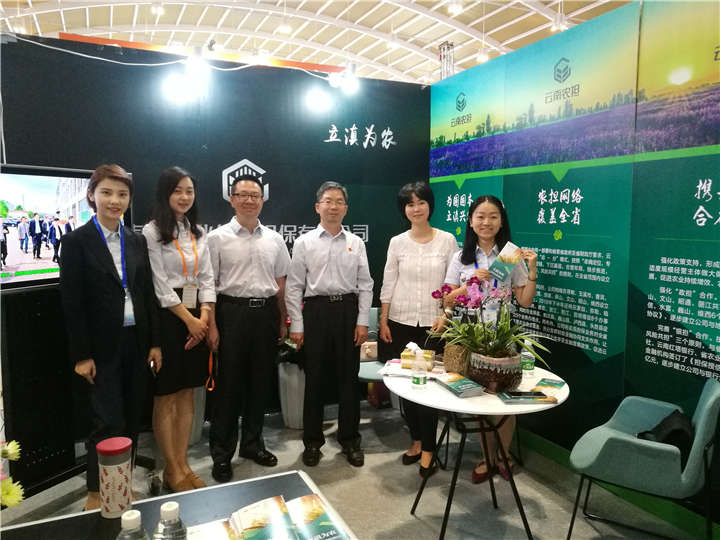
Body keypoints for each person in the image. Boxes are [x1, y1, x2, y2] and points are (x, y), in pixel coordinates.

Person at [59, 164, 162, 511]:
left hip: (136, 342)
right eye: (106, 192)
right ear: (92, 195)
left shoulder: (135, 240)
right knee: (106, 422)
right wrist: (81, 355)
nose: (115, 200)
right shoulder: (76, 242)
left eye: (122, 194)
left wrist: (154, 343)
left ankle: (122, 485)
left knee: (132, 418)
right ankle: (96, 491)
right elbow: (72, 303)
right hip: (101, 347)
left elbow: (145, 294)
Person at [443, 195, 538, 483]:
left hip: (502, 337)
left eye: (493, 216)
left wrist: (532, 271)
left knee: (505, 399)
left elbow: (524, 301)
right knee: (482, 399)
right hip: (472, 336)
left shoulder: (509, 255)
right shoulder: (460, 257)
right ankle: (487, 457)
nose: (486, 222)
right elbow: (447, 299)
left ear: (501, 221)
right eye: (480, 216)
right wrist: (470, 284)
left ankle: (504, 455)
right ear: (470, 221)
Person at [206, 174, 291, 483]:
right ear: (232, 199)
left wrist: (282, 319)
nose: (249, 200)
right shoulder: (217, 238)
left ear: (262, 200)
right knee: (228, 388)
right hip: (231, 314)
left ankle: (253, 445)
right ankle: (222, 454)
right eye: (242, 195)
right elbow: (208, 286)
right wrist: (212, 325)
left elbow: (281, 282)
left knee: (260, 384)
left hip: (266, 314)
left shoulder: (275, 239)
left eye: (254, 195)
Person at [286, 181, 373, 468]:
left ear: (345, 208)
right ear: (317, 207)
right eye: (328, 201)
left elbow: (365, 285)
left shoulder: (356, 242)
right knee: (315, 380)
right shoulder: (304, 242)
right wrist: (297, 325)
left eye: (338, 202)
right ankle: (312, 442)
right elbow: (294, 286)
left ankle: (350, 440)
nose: (333, 206)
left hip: (348, 311)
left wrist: (362, 321)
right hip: (316, 312)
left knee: (349, 380)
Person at [142, 167, 215, 492]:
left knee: (188, 393)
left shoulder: (197, 232)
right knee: (167, 396)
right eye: (178, 191)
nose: (184, 197)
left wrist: (205, 315)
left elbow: (207, 277)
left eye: (189, 191)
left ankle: (184, 464)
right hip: (170, 320)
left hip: (198, 314)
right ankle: (171, 469)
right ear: (165, 193)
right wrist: (191, 321)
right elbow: (159, 285)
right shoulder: (152, 231)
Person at [378, 182, 457, 478]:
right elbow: (389, 281)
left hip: (434, 325)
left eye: (421, 202)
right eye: (410, 204)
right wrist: (384, 320)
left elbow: (453, 284)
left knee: (428, 388)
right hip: (400, 322)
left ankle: (429, 450)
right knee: (408, 387)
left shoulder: (447, 240)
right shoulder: (397, 242)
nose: (416, 208)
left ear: (429, 205)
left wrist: (446, 315)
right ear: (404, 209)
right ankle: (416, 440)